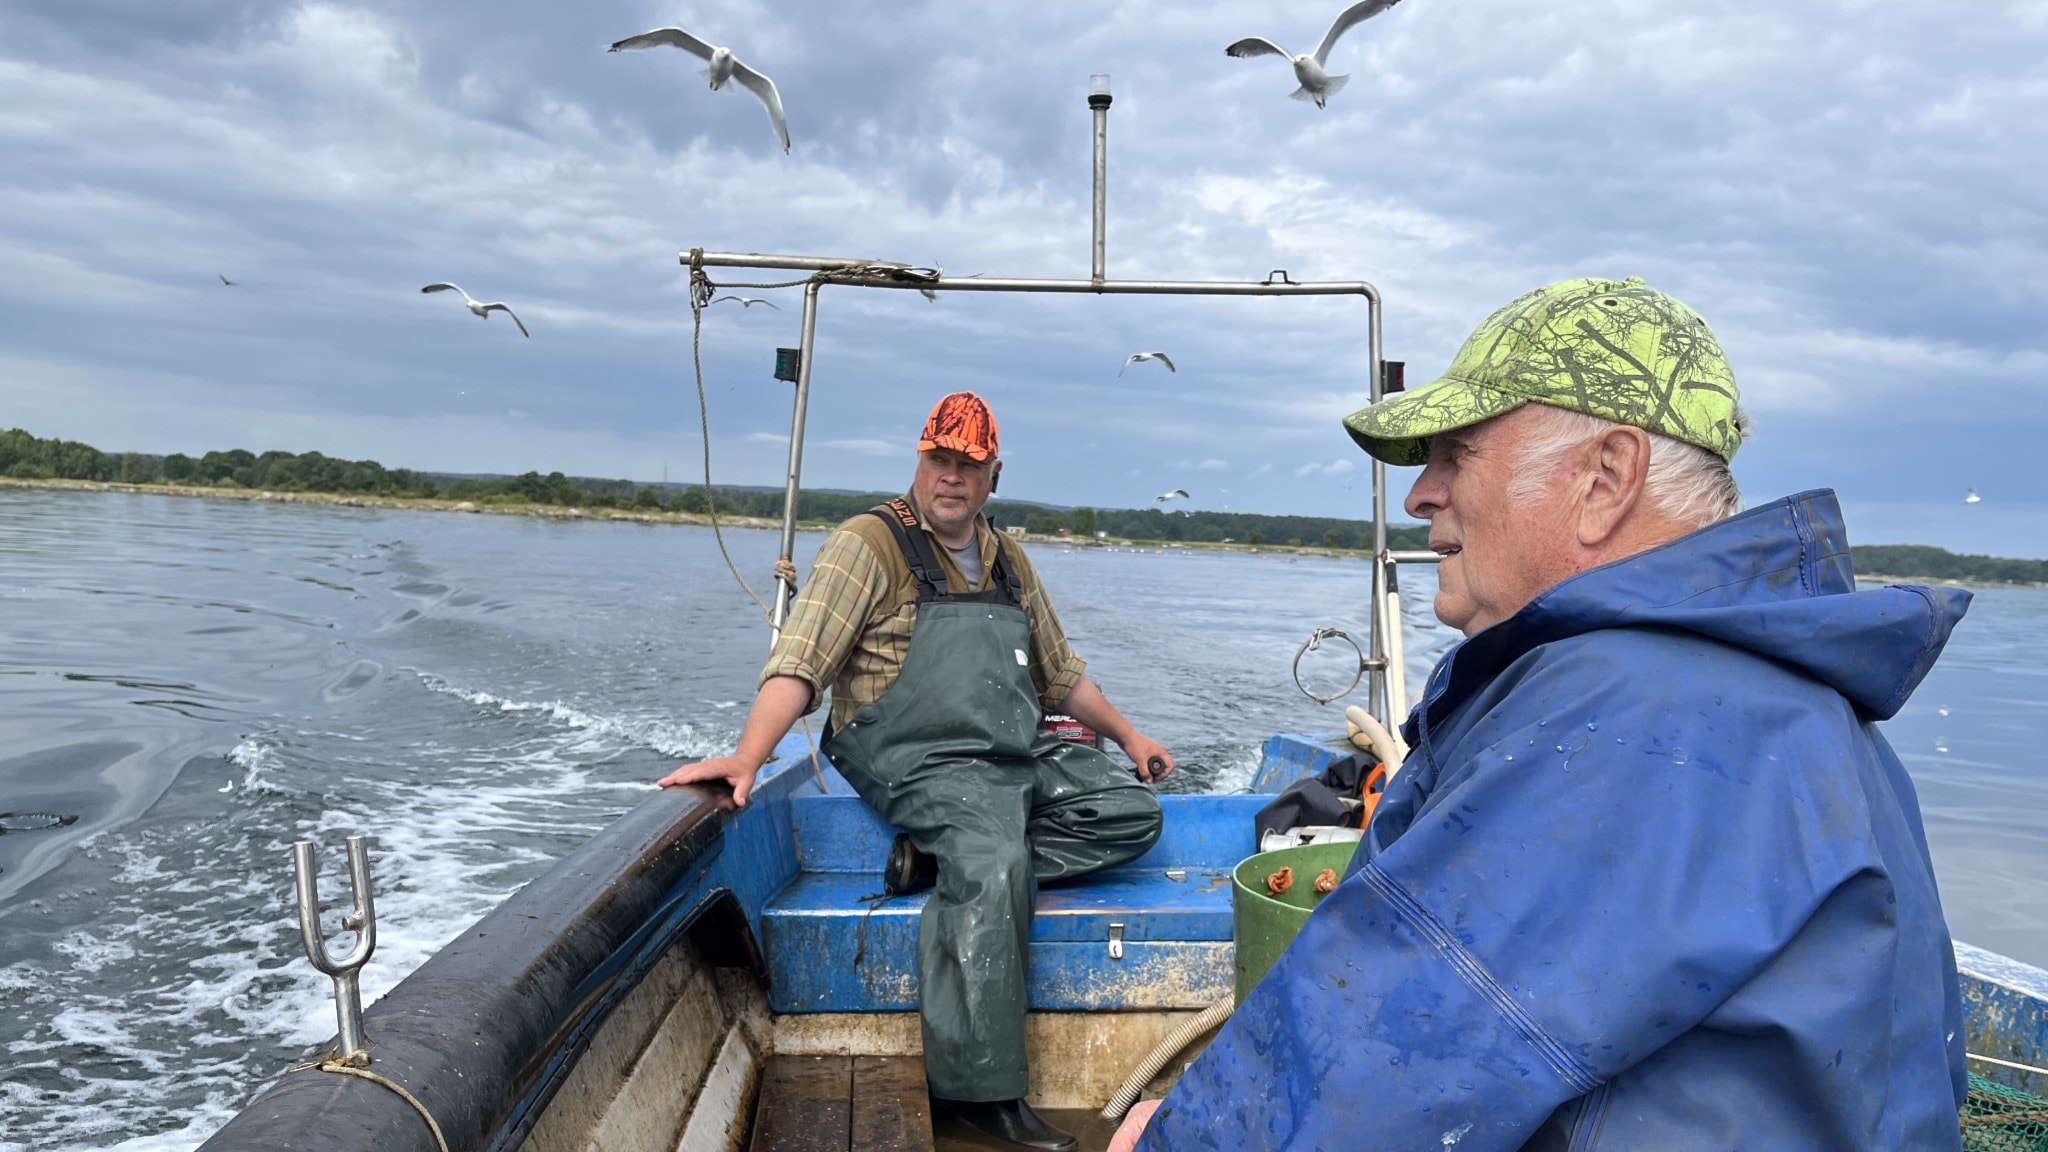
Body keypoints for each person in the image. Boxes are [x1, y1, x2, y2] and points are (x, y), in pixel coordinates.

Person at [1130, 277, 1971, 1151]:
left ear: (1606, 479)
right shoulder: (1807, 708)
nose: (1421, 494)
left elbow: (1358, 1091)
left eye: (1456, 454)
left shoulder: (1630, 718)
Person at [661, 390, 1172, 1152]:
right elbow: (801, 663)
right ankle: (979, 1094)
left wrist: (1131, 738)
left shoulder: (1009, 559)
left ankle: (936, 861)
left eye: (968, 464)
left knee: (1133, 814)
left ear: (993, 472)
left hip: (1005, 756)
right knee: (994, 859)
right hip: (913, 757)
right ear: (919, 458)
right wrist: (748, 755)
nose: (951, 478)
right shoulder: (869, 544)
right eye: (938, 458)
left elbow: (1059, 675)